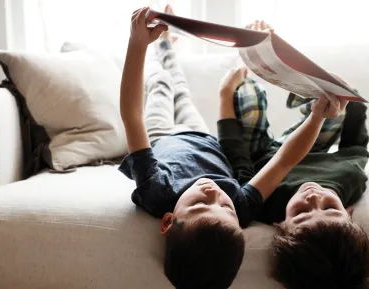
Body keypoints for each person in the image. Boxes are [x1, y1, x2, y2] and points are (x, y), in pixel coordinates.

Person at [118, 7, 345, 289]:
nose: (215, 194)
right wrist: (316, 118)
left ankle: (158, 51)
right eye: (224, 206)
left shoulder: (156, 191)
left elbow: (132, 117)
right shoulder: (241, 205)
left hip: (160, 134)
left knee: (161, 86)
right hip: (200, 134)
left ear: (168, 221)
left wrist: (137, 44)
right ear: (238, 220)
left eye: (200, 204)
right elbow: (284, 161)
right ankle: (168, 48)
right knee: (181, 87)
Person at [226, 20, 369, 289]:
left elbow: (239, 166)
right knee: (335, 109)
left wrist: (226, 97)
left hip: (263, 155)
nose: (313, 197)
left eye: (302, 211)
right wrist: (353, 103)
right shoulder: (350, 179)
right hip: (312, 145)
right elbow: (356, 148)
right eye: (329, 207)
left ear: (281, 224)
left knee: (250, 104)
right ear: (348, 212)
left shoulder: (267, 205)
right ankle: (301, 90)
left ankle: (250, 66)